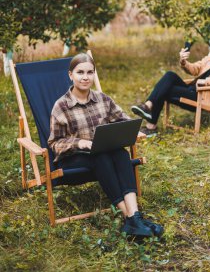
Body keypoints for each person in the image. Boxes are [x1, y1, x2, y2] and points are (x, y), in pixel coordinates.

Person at [48, 53, 163, 237]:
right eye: (80, 72)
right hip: (72, 160)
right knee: (100, 157)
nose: (85, 77)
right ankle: (133, 219)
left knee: (121, 154)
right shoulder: (61, 106)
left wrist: (133, 131)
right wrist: (81, 143)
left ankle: (134, 217)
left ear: (94, 74)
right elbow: (55, 143)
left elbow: (123, 120)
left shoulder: (103, 99)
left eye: (89, 72)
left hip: (102, 153)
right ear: (71, 75)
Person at [131, 32, 210, 135]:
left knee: (166, 89)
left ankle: (151, 124)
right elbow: (194, 69)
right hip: (191, 90)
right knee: (169, 75)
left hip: (202, 97)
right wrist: (184, 62)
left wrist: (206, 81)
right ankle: (148, 106)